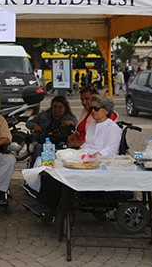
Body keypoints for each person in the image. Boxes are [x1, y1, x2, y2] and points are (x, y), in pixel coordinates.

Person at [23, 94, 122, 223]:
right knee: (52, 166)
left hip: (98, 164)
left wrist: (90, 156)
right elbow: (87, 144)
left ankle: (49, 209)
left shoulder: (112, 128)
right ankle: (42, 202)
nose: (92, 111)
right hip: (85, 158)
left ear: (107, 110)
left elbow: (110, 151)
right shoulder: (92, 125)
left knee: (60, 174)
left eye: (96, 108)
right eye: (91, 108)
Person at [26, 96, 77, 168]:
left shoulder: (68, 118)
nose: (57, 109)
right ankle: (35, 170)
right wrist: (34, 125)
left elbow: (78, 125)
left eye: (60, 107)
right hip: (43, 143)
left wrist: (72, 123)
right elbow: (28, 123)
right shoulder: (43, 115)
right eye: (55, 107)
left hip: (60, 143)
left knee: (63, 147)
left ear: (65, 108)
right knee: (38, 147)